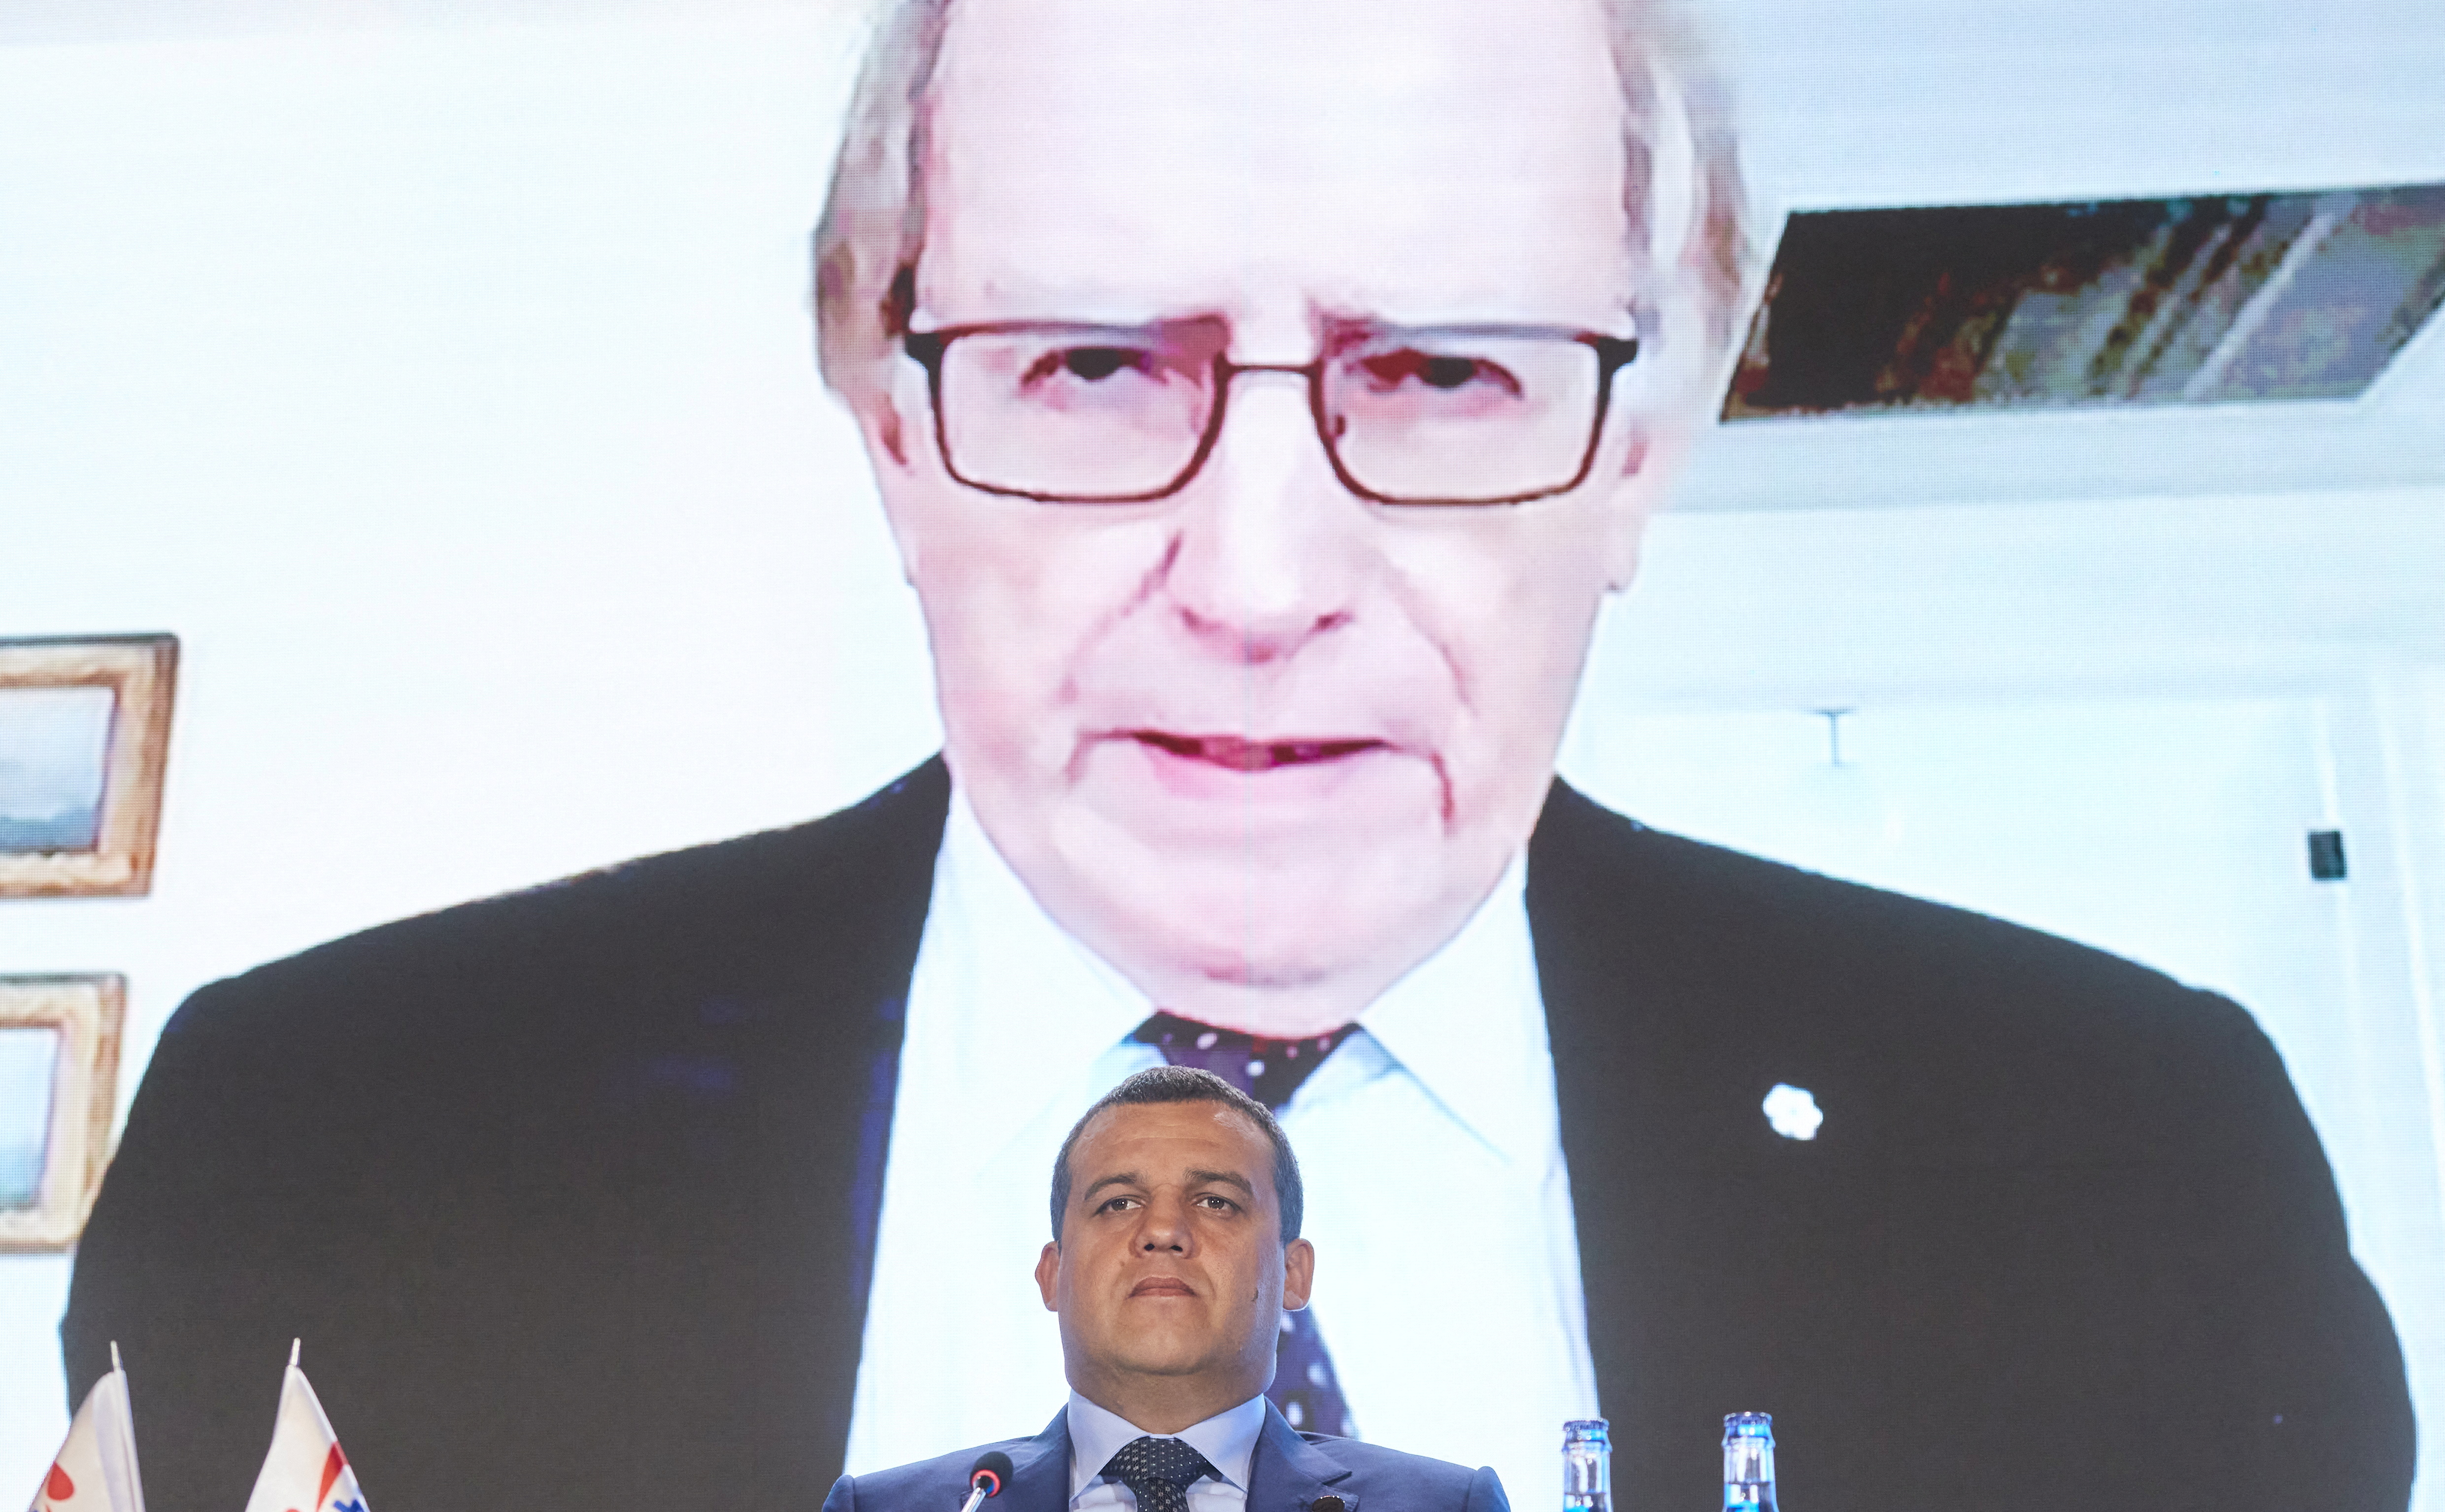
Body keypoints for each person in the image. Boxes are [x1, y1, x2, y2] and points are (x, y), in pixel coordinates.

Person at [66, 0, 2416, 1509]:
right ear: (890, 426)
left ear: (1638, 453)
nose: (1263, 575)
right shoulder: (326, 1141)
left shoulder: (2131, 1161)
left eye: (1447, 370)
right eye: (1094, 365)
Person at [824, 1065, 1507, 1512]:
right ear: (1052, 1273)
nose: (1162, 1232)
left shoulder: (1442, 1505)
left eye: (1215, 1202)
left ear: (1294, 1273)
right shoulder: (894, 1508)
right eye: (1118, 1203)